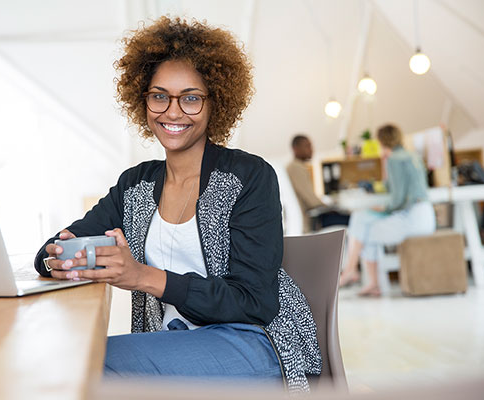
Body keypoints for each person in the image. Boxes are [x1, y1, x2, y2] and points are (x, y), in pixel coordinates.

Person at [34, 17, 321, 392]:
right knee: (74, 356)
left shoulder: (249, 177)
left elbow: (254, 302)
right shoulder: (135, 185)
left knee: (91, 364)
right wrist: (60, 256)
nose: (172, 112)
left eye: (190, 98)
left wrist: (140, 276)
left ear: (214, 102)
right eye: (159, 96)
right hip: (176, 339)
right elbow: (53, 249)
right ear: (143, 101)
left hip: (257, 342)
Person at [339, 124, 436, 296]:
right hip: (426, 215)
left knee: (363, 226)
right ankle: (363, 277)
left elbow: (397, 200)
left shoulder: (394, 159)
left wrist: (382, 209)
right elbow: (398, 188)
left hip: (412, 219)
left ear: (382, 140)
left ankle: (354, 272)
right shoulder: (411, 155)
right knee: (363, 225)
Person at [286, 134, 350, 232]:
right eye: (307, 146)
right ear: (295, 149)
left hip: (313, 216)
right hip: (313, 220)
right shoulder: (296, 168)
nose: (311, 150)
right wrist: (332, 206)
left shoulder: (295, 167)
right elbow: (312, 201)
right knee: (353, 219)